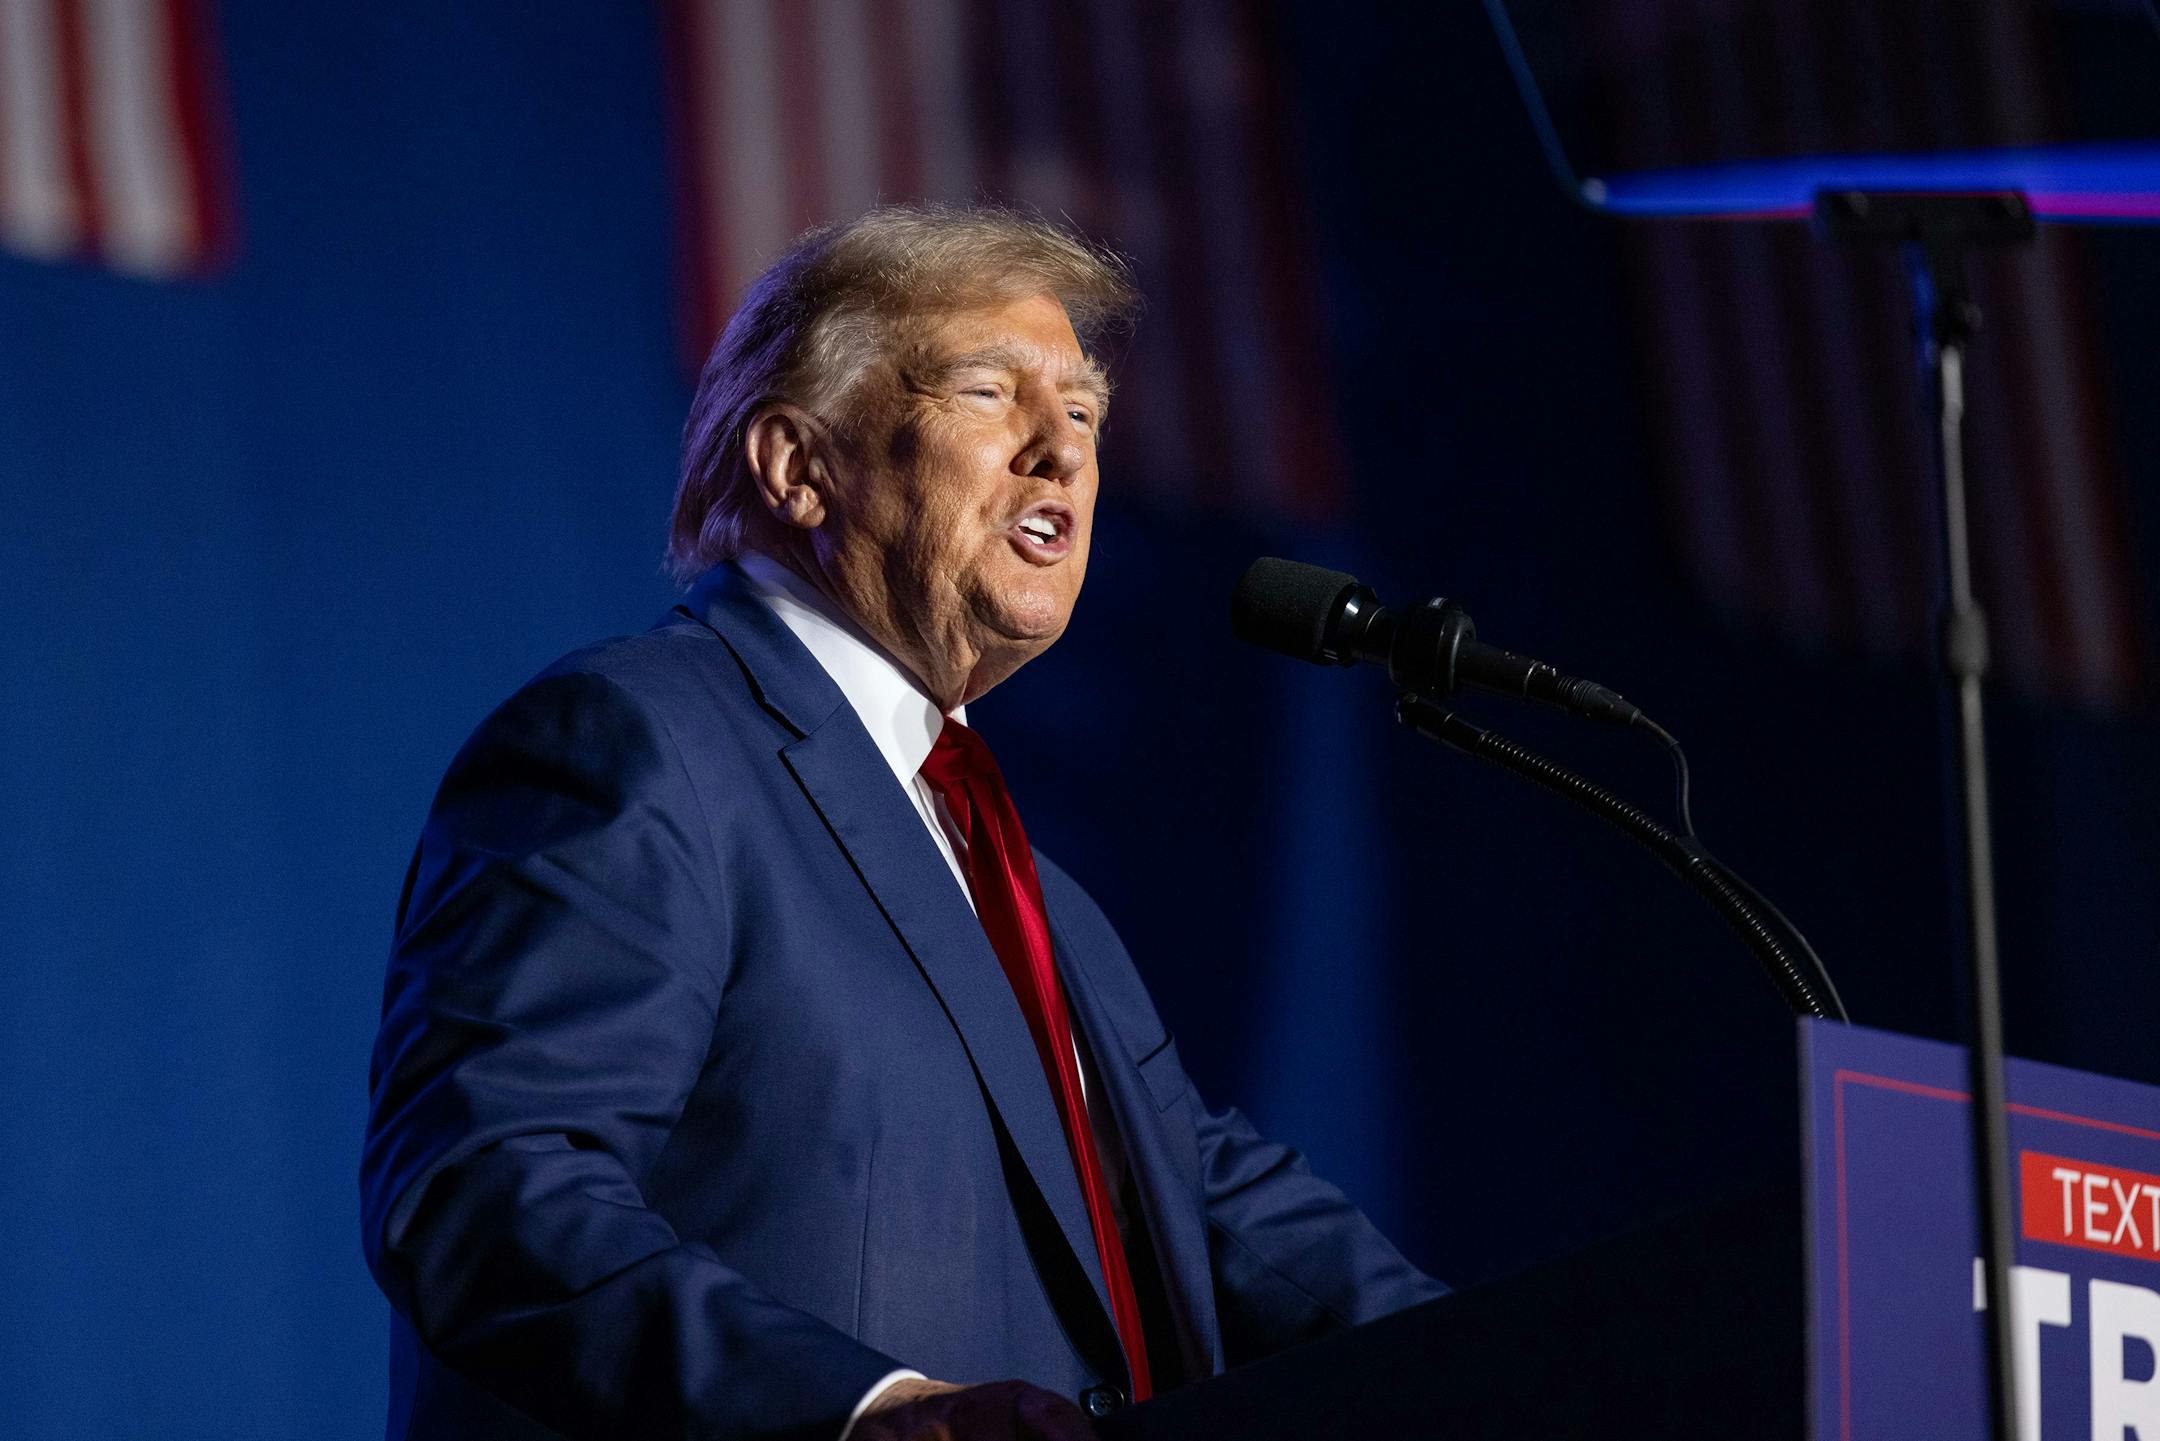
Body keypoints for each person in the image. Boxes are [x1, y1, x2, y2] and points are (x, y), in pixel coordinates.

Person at [360, 205, 1443, 1441]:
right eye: (991, 392)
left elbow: (1218, 1208)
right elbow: (486, 1188)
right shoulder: (634, 746)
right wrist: (868, 1412)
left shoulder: (1042, 902)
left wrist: (1539, 1369)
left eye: (1083, 412)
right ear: (796, 465)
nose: (1063, 454)